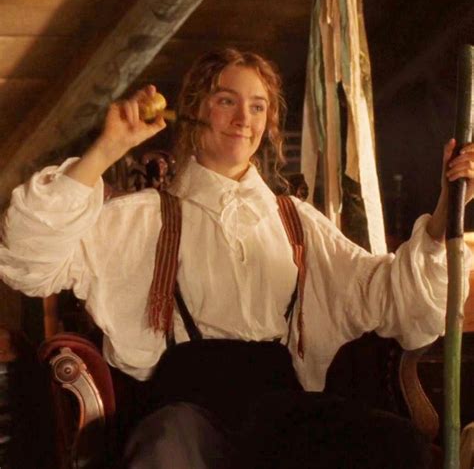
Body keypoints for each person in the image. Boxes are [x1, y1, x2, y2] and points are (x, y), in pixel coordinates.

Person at [1, 47, 474, 469]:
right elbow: (29, 261)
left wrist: (443, 211)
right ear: (194, 109)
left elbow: (388, 294)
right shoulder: (142, 217)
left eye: (257, 106)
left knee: (396, 444)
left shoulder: (294, 220)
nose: (243, 118)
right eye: (227, 100)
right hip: (184, 407)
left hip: (278, 410)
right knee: (166, 450)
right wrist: (107, 149)